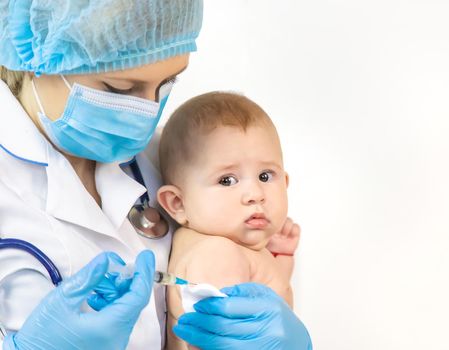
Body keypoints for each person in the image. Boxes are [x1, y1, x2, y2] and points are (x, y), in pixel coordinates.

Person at [0, 1, 312, 349]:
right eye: (119, 88)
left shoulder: (178, 158)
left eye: (167, 83)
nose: (147, 111)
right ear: (36, 62)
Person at [157, 92, 301, 350]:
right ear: (178, 203)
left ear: (286, 182)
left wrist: (279, 260)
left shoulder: (224, 246)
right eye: (227, 180)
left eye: (266, 176)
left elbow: (267, 302)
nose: (256, 194)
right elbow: (228, 335)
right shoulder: (218, 254)